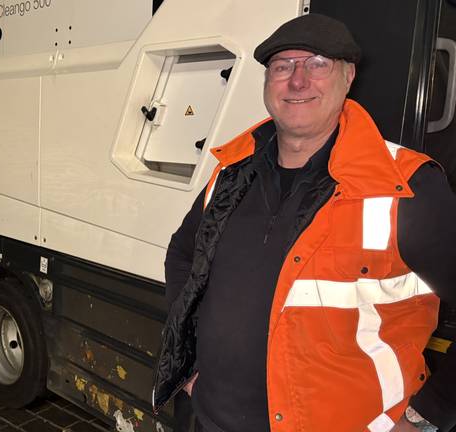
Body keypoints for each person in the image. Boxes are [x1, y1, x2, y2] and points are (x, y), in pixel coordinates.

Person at [152, 13, 456, 432]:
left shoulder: (405, 185)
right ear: (266, 84)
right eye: (282, 67)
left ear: (348, 77)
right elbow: (183, 256)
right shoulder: (231, 173)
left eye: (317, 64)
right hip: (213, 420)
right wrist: (187, 365)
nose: (297, 81)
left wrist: (425, 417)